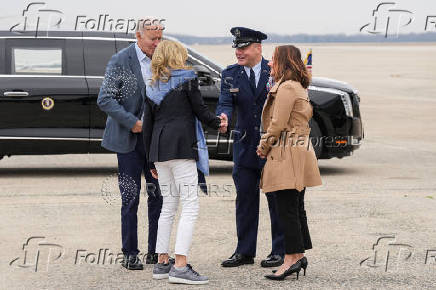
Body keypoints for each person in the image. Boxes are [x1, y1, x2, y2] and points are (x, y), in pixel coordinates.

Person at [143, 40, 227, 285]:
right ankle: (180, 266)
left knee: (168, 206)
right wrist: (219, 123)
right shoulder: (187, 80)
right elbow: (201, 111)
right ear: (176, 56)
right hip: (181, 148)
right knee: (190, 205)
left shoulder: (152, 85)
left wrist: (150, 161)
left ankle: (162, 262)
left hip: (159, 151)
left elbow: (147, 126)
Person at [217, 27, 285, 268]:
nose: (238, 52)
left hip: (272, 148)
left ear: (258, 48)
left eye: (243, 47)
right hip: (244, 147)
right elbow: (224, 102)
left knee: (277, 200)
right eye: (236, 47)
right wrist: (223, 116)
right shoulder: (230, 74)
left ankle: (280, 250)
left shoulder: (275, 72)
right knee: (245, 199)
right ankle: (244, 251)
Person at [97, 23, 164, 270]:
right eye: (152, 39)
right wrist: (133, 123)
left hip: (156, 141)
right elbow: (105, 98)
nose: (157, 43)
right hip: (129, 140)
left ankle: (156, 251)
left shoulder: (163, 58)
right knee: (131, 198)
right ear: (137, 36)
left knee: (158, 197)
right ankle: (130, 253)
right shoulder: (121, 61)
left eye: (160, 38)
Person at [256, 45, 322, 280]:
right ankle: (297, 256)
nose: (269, 64)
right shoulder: (297, 86)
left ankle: (291, 259)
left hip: (287, 152)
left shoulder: (286, 88)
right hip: (297, 150)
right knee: (295, 207)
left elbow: (277, 124)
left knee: (287, 208)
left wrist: (263, 147)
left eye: (273, 60)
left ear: (283, 61)